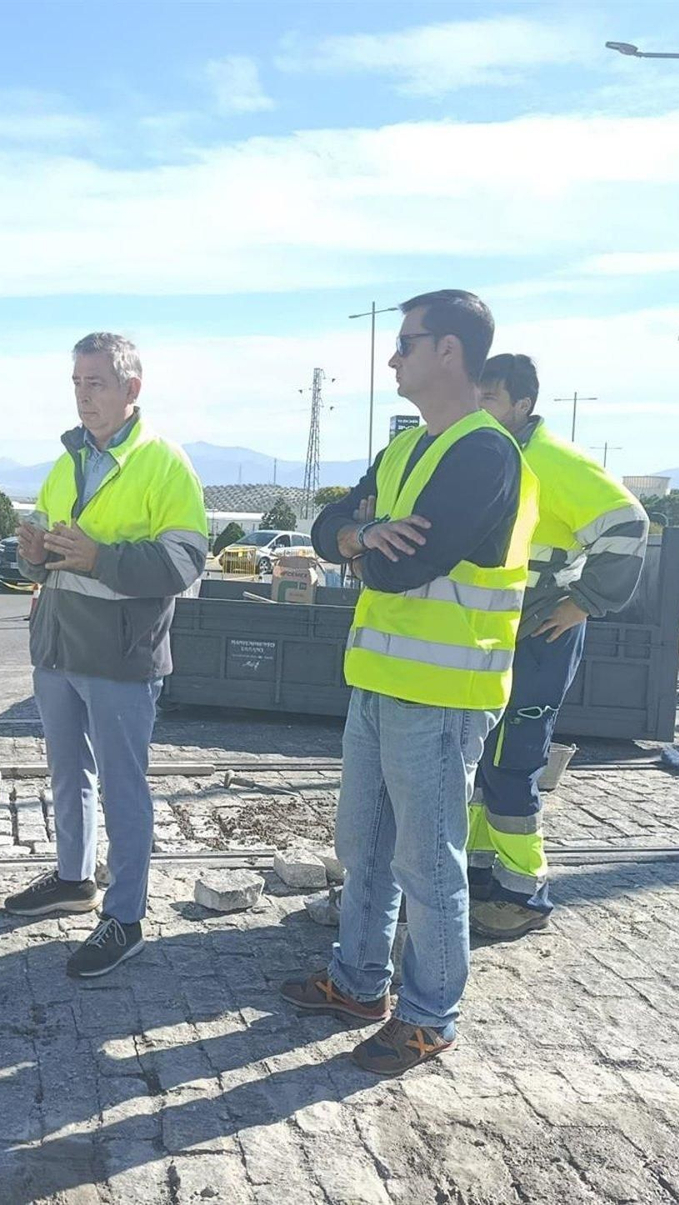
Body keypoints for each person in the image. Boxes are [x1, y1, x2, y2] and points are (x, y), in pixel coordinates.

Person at [281, 290, 538, 1075]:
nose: (392, 357)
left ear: (449, 350)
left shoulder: (485, 455)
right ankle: (360, 981)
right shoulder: (405, 451)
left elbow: (406, 566)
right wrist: (362, 533)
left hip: (444, 695)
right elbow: (326, 527)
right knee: (364, 846)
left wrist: (359, 545)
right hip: (379, 683)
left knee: (427, 864)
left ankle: (429, 1015)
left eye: (406, 342)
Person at [1, 332, 208, 978]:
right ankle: (73, 878)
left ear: (131, 389)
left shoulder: (163, 463)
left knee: (123, 787)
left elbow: (185, 561)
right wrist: (33, 555)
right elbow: (47, 557)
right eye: (77, 383)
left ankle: (126, 915)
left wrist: (101, 558)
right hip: (59, 644)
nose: (83, 396)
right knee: (67, 772)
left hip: (121, 655)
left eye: (96, 383)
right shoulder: (67, 461)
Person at [471, 354, 648, 939]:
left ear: (523, 405)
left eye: (490, 399)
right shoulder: (495, 454)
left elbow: (628, 523)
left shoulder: (552, 460)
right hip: (503, 630)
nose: (479, 409)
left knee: (512, 762)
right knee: (484, 760)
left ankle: (524, 894)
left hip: (543, 633)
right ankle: (481, 873)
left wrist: (584, 603)